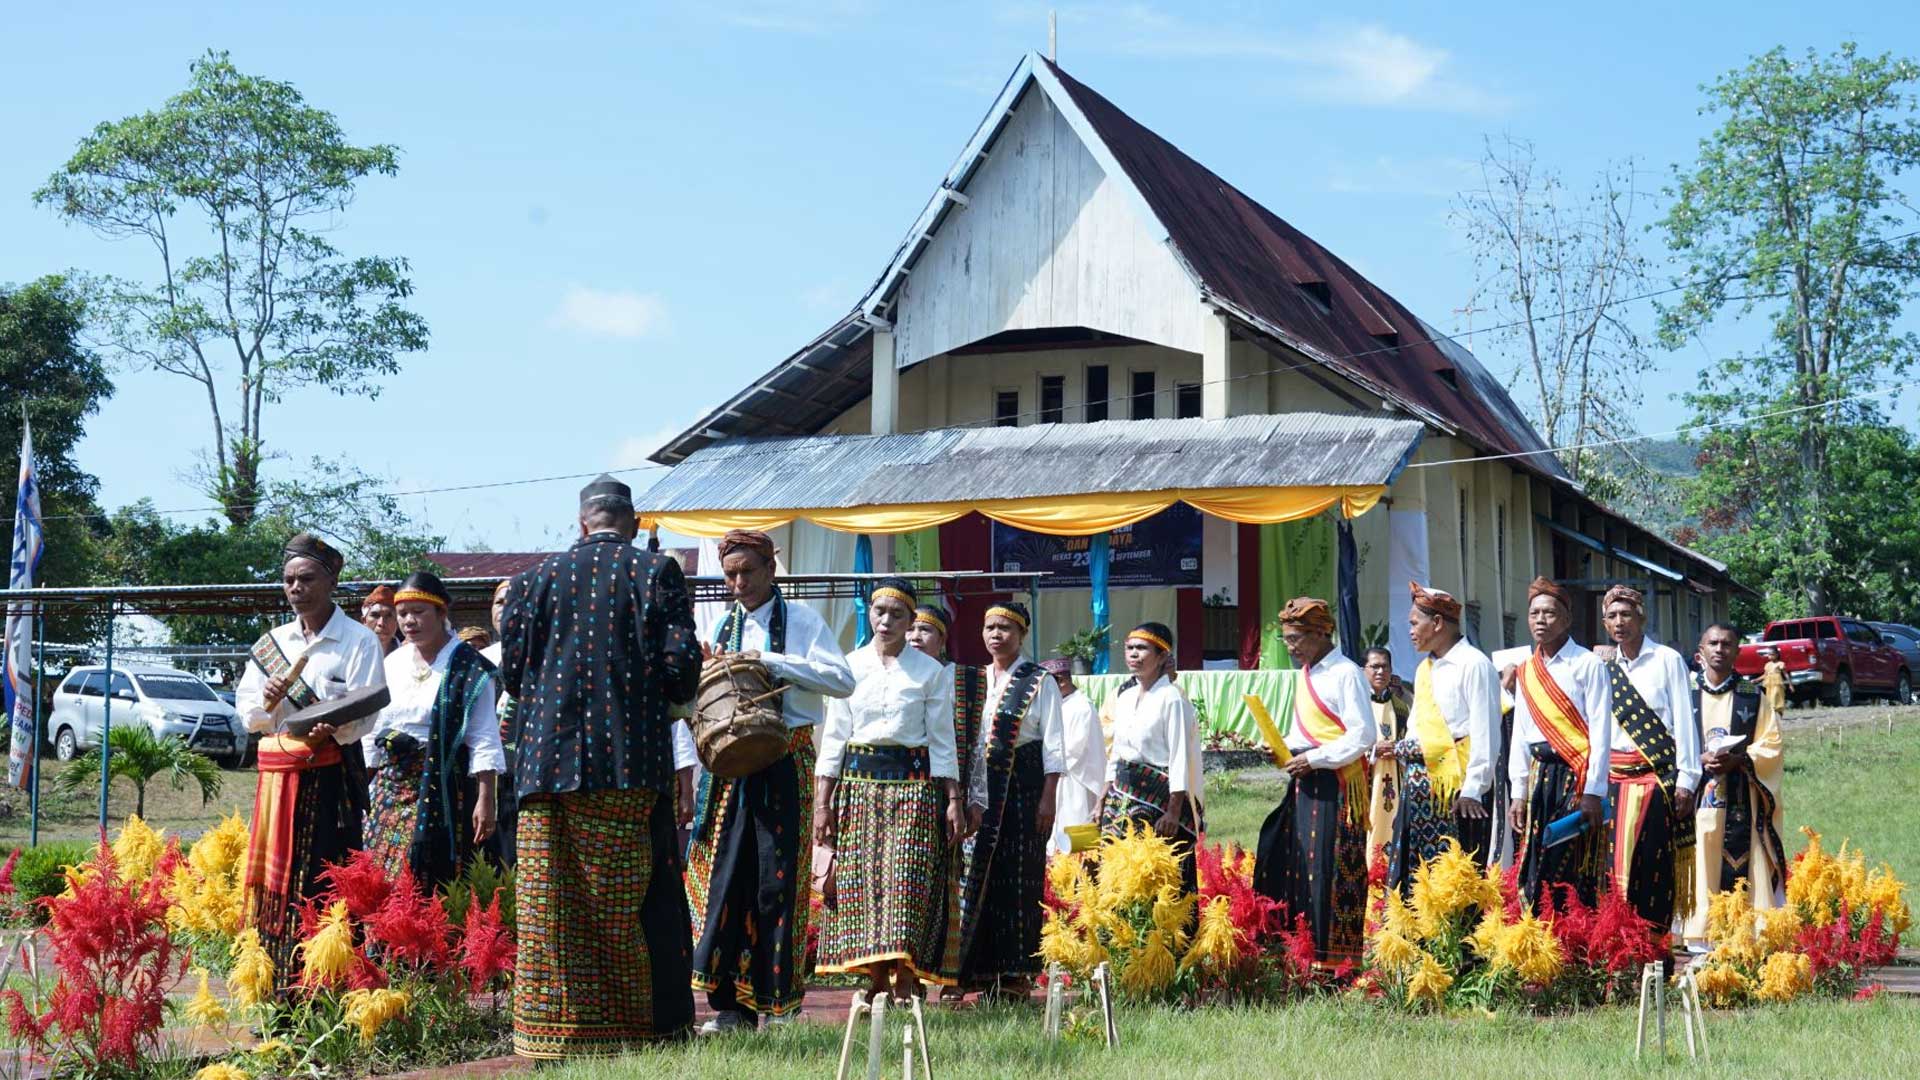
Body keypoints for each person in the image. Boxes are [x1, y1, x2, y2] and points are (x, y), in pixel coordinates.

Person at [497, 476, 703, 1058]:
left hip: (543, 768)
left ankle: (550, 1037)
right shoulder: (654, 573)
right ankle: (640, 1029)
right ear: (633, 524)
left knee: (550, 906)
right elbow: (682, 669)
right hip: (629, 765)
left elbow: (513, 675)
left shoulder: (532, 581)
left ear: (582, 522)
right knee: (631, 899)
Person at [687, 529, 855, 1033]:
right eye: (731, 575)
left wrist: (770, 661)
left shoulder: (802, 620)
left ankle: (778, 1004)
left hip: (787, 758)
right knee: (729, 880)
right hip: (732, 771)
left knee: (777, 882)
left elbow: (843, 680)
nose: (738, 583)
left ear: (771, 570)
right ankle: (731, 1008)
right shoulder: (721, 627)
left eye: (747, 572)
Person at [237, 533, 387, 989]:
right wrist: (265, 702)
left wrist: (334, 730)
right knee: (277, 883)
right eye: (287, 580)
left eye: (305, 578)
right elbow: (249, 716)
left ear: (332, 579)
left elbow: (368, 710)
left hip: (331, 781)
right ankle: (279, 982)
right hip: (280, 784)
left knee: (329, 876)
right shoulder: (272, 643)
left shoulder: (358, 641)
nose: (295, 588)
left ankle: (333, 982)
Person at [813, 579, 963, 1000]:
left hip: (914, 790)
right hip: (858, 789)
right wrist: (822, 803)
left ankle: (906, 974)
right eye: (880, 612)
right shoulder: (850, 666)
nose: (886, 621)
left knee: (907, 882)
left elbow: (942, 740)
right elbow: (834, 738)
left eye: (898, 615)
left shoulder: (929, 672)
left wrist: (952, 800)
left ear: (912, 621)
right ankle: (876, 978)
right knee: (863, 886)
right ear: (869, 613)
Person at [1252, 597, 1376, 967]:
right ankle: (1299, 952)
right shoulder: (1305, 674)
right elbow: (1303, 733)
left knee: (1328, 868)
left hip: (1335, 784)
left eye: (1297, 639)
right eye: (1287, 640)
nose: (1291, 647)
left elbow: (1363, 735)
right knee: (1293, 862)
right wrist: (1278, 748)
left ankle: (1334, 961)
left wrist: (1315, 758)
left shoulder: (1346, 673)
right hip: (1305, 782)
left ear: (1323, 633)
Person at [951, 600, 1064, 995]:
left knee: (1019, 877)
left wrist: (1048, 798)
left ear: (1022, 634)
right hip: (982, 789)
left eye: (1005, 628)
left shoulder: (1039, 680)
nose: (996, 635)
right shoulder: (976, 679)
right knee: (976, 874)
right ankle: (975, 970)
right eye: (990, 627)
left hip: (1024, 787)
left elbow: (1053, 745)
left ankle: (1014, 975)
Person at [365, 571, 505, 889]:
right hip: (390, 784)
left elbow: (484, 736)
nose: (409, 621)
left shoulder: (470, 668)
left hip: (443, 787)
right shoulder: (392, 664)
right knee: (383, 869)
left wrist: (486, 799)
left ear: (442, 612)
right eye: (402, 614)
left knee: (428, 874)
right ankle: (381, 939)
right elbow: (372, 730)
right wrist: (365, 788)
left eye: (418, 612)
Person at [1377, 584, 1501, 889]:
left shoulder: (1475, 665)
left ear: (1437, 623)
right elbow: (1420, 726)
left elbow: (1485, 733)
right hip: (1420, 784)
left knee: (1454, 878)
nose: (1410, 630)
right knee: (1413, 875)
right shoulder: (1424, 669)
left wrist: (1474, 788)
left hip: (1457, 790)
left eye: (1414, 623)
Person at [1595, 584, 1701, 932]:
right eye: (1611, 616)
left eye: (1626, 614)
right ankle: (1618, 942)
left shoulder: (1666, 660)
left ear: (1641, 617)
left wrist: (1687, 780)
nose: (1619, 622)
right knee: (1610, 865)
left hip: (1655, 780)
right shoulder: (1602, 665)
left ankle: (1654, 945)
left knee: (1651, 863)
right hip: (1613, 781)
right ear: (1605, 623)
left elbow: (1685, 721)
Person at [1504, 578, 1613, 912]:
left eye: (1549, 613)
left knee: (1571, 861)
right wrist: (1518, 793)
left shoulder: (1587, 664)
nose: (1540, 619)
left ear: (1567, 619)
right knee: (1535, 858)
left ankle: (1574, 938)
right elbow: (1520, 735)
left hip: (1575, 777)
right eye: (1534, 612)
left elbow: (1601, 730)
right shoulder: (1526, 670)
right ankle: (1536, 936)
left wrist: (1594, 791)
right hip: (1539, 777)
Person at [1682, 623, 1786, 950]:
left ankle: (1745, 929)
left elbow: (1772, 744)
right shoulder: (1684, 694)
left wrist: (1740, 758)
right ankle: (1697, 931)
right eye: (1712, 643)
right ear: (1700, 651)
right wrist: (1693, 758)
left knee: (1737, 854)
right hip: (1695, 795)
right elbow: (1667, 737)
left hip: (1740, 794)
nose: (1719, 649)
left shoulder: (1751, 697)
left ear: (1738, 652)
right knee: (1697, 855)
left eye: (1727, 644)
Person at [1100, 624, 1202, 896]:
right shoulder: (1124, 697)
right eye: (1130, 648)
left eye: (1142, 648)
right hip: (1121, 796)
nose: (1134, 654)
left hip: (1159, 800)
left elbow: (1179, 756)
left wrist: (1173, 810)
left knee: (1159, 876)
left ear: (1161, 656)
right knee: (1118, 869)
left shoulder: (1172, 699)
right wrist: (1101, 799)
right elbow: (1116, 752)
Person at [1046, 657, 1107, 855]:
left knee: (1075, 836)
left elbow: (1073, 749)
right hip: (1060, 776)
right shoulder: (1062, 703)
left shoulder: (1081, 706)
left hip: (1077, 780)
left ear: (1062, 680)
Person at [479, 579, 518, 868]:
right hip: (485, 772)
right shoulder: (478, 659)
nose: (504, 608)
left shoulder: (543, 656)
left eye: (512, 600)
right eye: (499, 602)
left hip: (525, 774)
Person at [1362, 647, 1408, 875]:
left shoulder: (1401, 709)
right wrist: (1372, 750)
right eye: (1374, 666)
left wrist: (1398, 749)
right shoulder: (1357, 705)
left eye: (1385, 666)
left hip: (1395, 781)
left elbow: (1412, 741)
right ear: (1363, 670)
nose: (1380, 671)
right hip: (1365, 783)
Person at [361, 584, 399, 654]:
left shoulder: (411, 655)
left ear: (397, 622)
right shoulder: (352, 653)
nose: (381, 623)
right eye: (375, 615)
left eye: (389, 616)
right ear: (364, 621)